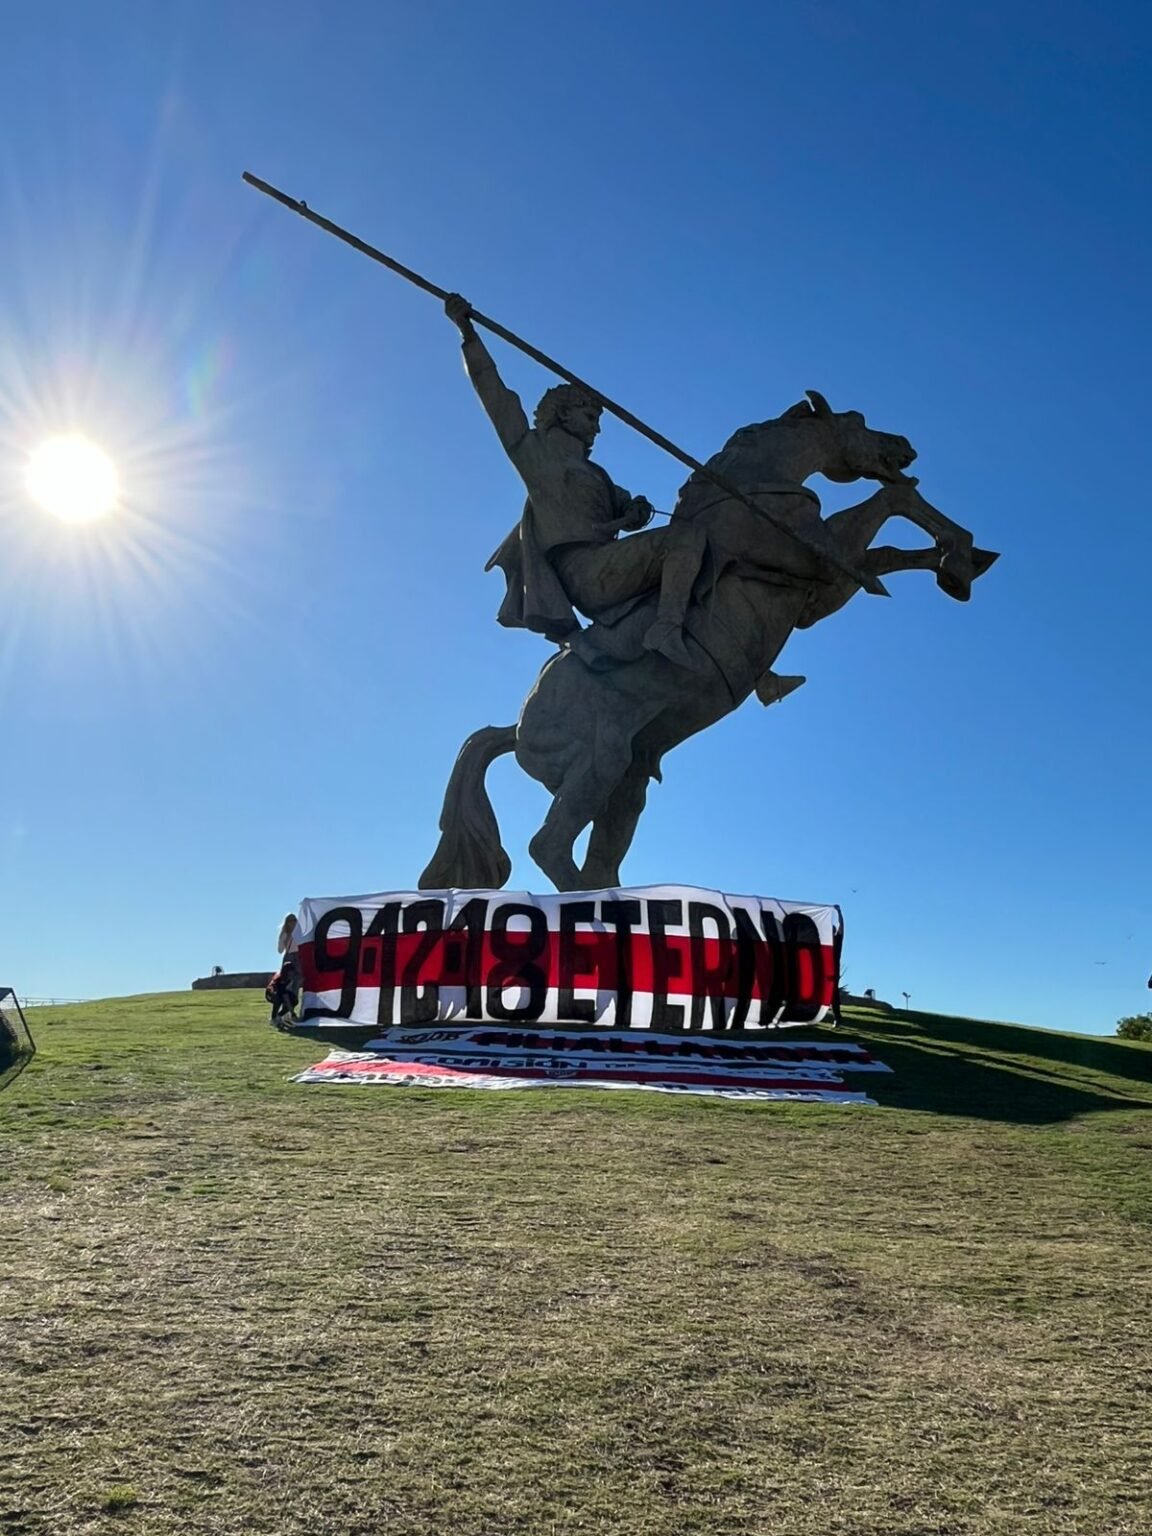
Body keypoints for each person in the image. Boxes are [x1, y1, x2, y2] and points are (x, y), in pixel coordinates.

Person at [445, 293, 709, 667]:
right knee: (687, 537)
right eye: (589, 417)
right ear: (563, 415)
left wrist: (635, 510)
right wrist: (468, 334)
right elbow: (496, 395)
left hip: (609, 562)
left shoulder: (598, 474)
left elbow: (628, 507)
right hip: (585, 572)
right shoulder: (534, 453)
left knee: (703, 549)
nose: (596, 428)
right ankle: (666, 629)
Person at [268, 913, 300, 1025]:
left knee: (295, 985)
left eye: (294, 920)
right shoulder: (284, 934)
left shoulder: (300, 933)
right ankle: (285, 1013)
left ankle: (290, 1011)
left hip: (299, 957)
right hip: (289, 957)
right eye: (290, 921)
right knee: (285, 986)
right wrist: (285, 940)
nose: (293, 923)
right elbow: (280, 950)